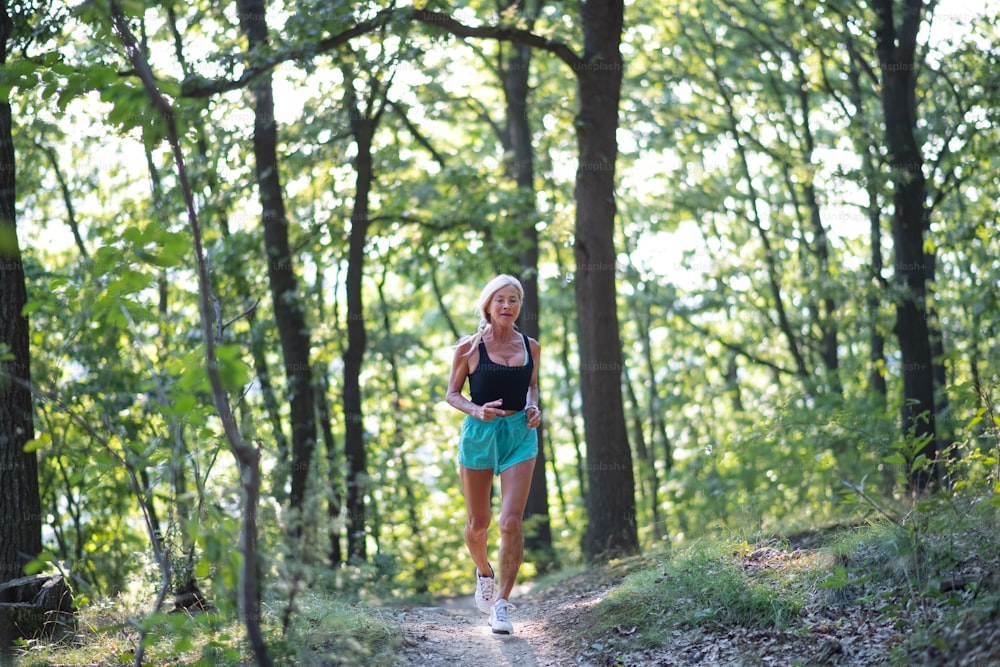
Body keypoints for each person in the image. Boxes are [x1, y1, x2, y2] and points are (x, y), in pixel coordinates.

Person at [446, 274, 542, 635]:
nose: (507, 306)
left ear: (519, 306)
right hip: (480, 435)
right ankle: (483, 573)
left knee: (510, 522)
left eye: (513, 300)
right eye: (500, 299)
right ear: (488, 304)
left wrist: (534, 409)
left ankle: (501, 603)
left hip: (520, 435)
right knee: (479, 524)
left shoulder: (530, 347)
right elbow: (452, 394)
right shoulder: (468, 349)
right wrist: (476, 410)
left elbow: (531, 388)